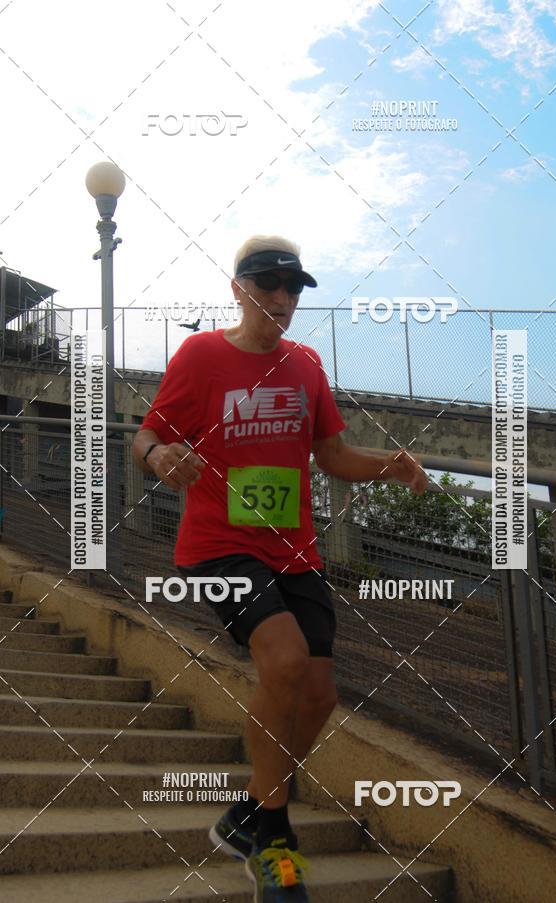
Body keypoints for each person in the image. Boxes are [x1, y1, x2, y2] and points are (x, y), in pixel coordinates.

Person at [133, 235, 428, 902]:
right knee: (286, 661)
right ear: (238, 288)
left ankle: (247, 811)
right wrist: (157, 457)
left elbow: (333, 455)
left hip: (293, 551)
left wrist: (391, 466)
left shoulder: (306, 365)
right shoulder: (201, 355)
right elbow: (148, 433)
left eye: (294, 287)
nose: (282, 296)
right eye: (269, 282)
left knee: (319, 695)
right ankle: (274, 839)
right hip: (218, 544)